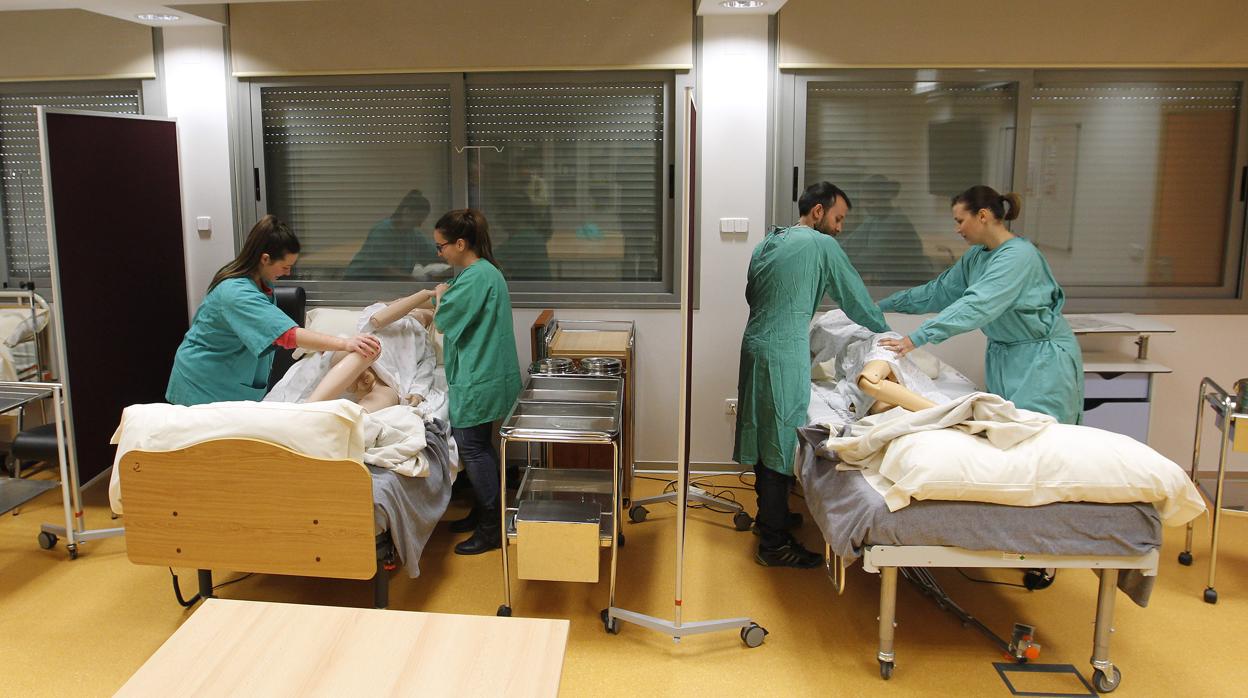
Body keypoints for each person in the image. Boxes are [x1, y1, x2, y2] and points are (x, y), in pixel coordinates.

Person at [734, 181, 890, 568]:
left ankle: (770, 517)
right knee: (780, 439)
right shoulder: (822, 246)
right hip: (783, 350)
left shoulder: (770, 242)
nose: (840, 228)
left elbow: (753, 293)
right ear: (818, 212)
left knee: (762, 428)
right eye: (838, 219)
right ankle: (773, 543)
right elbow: (854, 298)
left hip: (755, 342)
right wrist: (886, 334)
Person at [877, 185, 1083, 424]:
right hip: (1005, 358)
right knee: (1007, 434)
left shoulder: (1018, 256)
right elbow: (938, 292)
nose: (957, 229)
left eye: (960, 221)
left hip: (1040, 362)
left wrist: (915, 338)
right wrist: (882, 305)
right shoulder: (977, 256)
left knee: (1042, 440)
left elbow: (977, 304)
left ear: (983, 215)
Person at [166, 215, 381, 406]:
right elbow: (285, 334)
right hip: (203, 385)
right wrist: (343, 343)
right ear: (265, 258)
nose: (287, 273)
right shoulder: (235, 292)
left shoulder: (262, 286)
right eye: (285, 267)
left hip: (232, 382)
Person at [430, 208, 522, 555]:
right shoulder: (486, 272)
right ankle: (482, 511)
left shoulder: (473, 277)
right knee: (481, 446)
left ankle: (490, 527)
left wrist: (439, 297)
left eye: (441, 247)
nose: (439, 253)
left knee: (473, 449)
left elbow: (445, 320)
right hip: (490, 373)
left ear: (460, 243)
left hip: (479, 376)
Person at [839, 174, 930, 285]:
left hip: (908, 287)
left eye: (871, 201)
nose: (865, 206)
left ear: (885, 198)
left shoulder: (895, 223)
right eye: (863, 201)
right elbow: (850, 243)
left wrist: (835, 270)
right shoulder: (874, 219)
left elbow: (869, 259)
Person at [343, 190, 437, 280]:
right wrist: (410, 281)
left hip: (389, 287)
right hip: (361, 284)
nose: (419, 224)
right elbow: (382, 269)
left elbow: (433, 253)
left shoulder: (414, 235)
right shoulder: (382, 232)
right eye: (418, 218)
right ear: (407, 212)